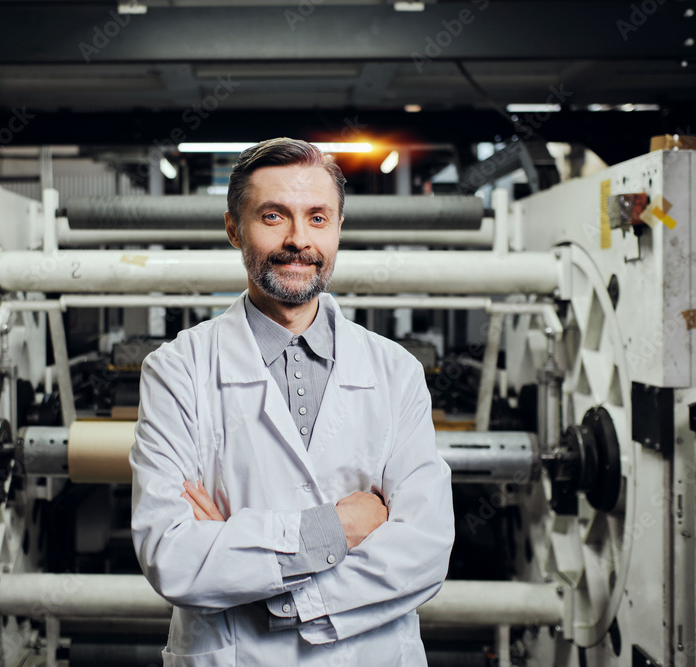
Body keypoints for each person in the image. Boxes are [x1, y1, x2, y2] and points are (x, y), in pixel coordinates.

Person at [130, 138, 454, 666]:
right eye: (274, 216)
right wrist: (338, 528)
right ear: (234, 228)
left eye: (318, 218)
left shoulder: (396, 372)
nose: (299, 240)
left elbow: (425, 549)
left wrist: (261, 577)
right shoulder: (178, 369)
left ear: (340, 229)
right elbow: (172, 556)